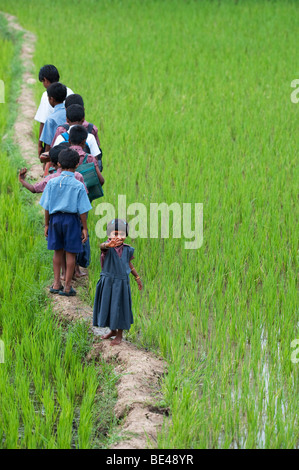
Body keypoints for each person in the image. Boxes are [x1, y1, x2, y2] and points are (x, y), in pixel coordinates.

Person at [39, 148, 92, 296]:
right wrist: (85, 228)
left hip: (55, 219)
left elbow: (47, 207)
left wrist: (47, 224)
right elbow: (82, 210)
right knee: (71, 254)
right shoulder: (78, 185)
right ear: (77, 165)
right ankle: (68, 287)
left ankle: (56, 284)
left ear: (59, 164)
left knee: (57, 253)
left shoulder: (52, 182)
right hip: (72, 221)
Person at [93, 219, 143, 346]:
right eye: (115, 234)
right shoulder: (107, 247)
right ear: (109, 235)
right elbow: (102, 247)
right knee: (108, 306)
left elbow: (129, 264)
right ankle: (112, 331)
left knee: (120, 307)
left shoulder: (127, 249)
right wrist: (107, 245)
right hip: (108, 282)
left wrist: (137, 277)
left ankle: (119, 334)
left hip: (121, 284)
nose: (118, 237)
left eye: (122, 234)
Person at [35, 65, 73, 156]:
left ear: (45, 80)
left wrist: (40, 145)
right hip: (71, 140)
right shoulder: (70, 92)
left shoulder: (46, 95)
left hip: (52, 144)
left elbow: (43, 122)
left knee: (49, 167)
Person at [18, 145, 87, 193]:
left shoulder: (51, 179)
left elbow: (34, 189)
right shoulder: (78, 176)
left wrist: (22, 180)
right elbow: (84, 195)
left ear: (53, 163)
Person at [39, 82, 68, 154]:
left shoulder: (51, 119)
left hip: (57, 155)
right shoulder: (70, 113)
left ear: (51, 99)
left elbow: (48, 145)